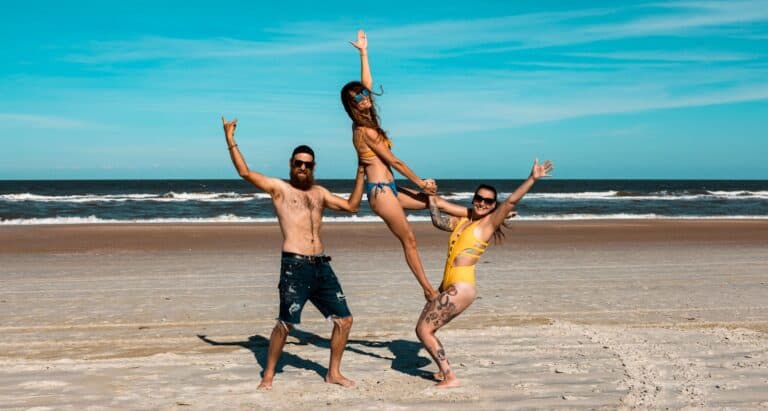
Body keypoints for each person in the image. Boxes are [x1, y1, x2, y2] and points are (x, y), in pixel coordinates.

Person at [222, 116, 365, 390]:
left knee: (345, 320)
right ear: (291, 164)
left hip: (322, 265)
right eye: (298, 163)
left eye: (307, 165)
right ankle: (268, 375)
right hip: (295, 266)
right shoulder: (280, 189)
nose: (302, 168)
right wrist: (230, 139)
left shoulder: (320, 193)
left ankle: (333, 373)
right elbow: (245, 172)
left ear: (313, 167)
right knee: (286, 324)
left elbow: (352, 206)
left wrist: (361, 171)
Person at [341, 29, 468, 302]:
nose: (365, 98)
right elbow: (394, 161)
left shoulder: (368, 121)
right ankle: (429, 291)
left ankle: (477, 216)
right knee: (409, 238)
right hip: (381, 193)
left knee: (435, 201)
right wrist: (420, 182)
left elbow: (366, 83)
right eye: (358, 98)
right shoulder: (365, 131)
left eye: (364, 94)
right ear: (352, 107)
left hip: (391, 189)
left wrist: (364, 53)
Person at [416, 159, 554, 388]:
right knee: (427, 328)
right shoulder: (463, 221)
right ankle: (443, 372)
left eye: (488, 201)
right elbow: (438, 220)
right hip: (447, 284)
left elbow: (511, 201)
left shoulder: (487, 225)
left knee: (423, 330)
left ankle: (450, 377)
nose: (482, 203)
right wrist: (431, 196)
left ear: (492, 206)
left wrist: (532, 179)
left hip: (462, 287)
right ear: (473, 199)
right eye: (479, 198)